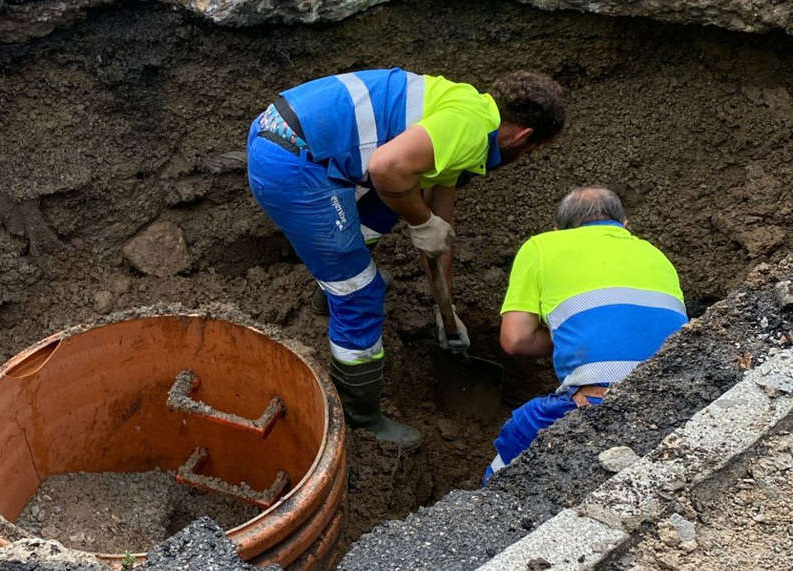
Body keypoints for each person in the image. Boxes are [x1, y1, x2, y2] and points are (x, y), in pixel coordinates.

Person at [246, 68, 566, 450]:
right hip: (294, 158)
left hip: (293, 135)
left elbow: (439, 226)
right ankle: (361, 418)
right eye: (532, 150)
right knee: (362, 294)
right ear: (524, 137)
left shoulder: (468, 109)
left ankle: (333, 283)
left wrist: (445, 313)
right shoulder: (469, 130)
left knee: (383, 212)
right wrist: (421, 220)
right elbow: (386, 169)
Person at [484, 187, 688, 483]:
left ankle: (486, 502)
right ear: (625, 226)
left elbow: (515, 339)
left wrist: (564, 334)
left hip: (603, 398)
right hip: (679, 393)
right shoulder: (655, 254)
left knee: (521, 428)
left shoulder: (542, 246)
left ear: (557, 230)